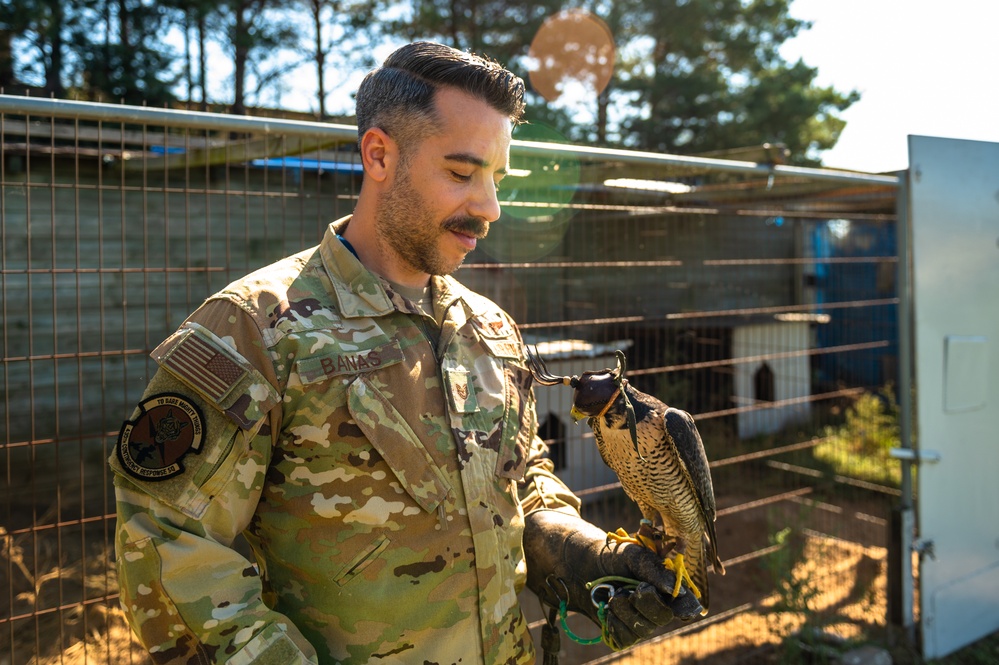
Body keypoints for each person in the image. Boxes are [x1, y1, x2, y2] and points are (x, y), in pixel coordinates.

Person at [110, 41, 701, 664]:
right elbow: (169, 542)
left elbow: (523, 480)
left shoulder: (491, 329)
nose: (490, 209)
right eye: (461, 172)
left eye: (496, 179)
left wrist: (580, 555)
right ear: (380, 154)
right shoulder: (255, 329)